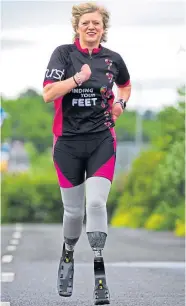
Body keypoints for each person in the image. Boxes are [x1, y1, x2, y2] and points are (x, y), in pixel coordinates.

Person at [43, 2, 131, 305]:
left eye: (96, 23)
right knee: (73, 213)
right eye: (85, 23)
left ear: (103, 28)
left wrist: (121, 103)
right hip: (67, 143)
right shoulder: (63, 55)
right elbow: (48, 93)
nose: (91, 27)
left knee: (95, 204)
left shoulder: (113, 59)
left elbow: (126, 86)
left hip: (101, 141)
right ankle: (68, 250)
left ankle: (98, 269)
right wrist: (76, 80)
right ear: (77, 28)